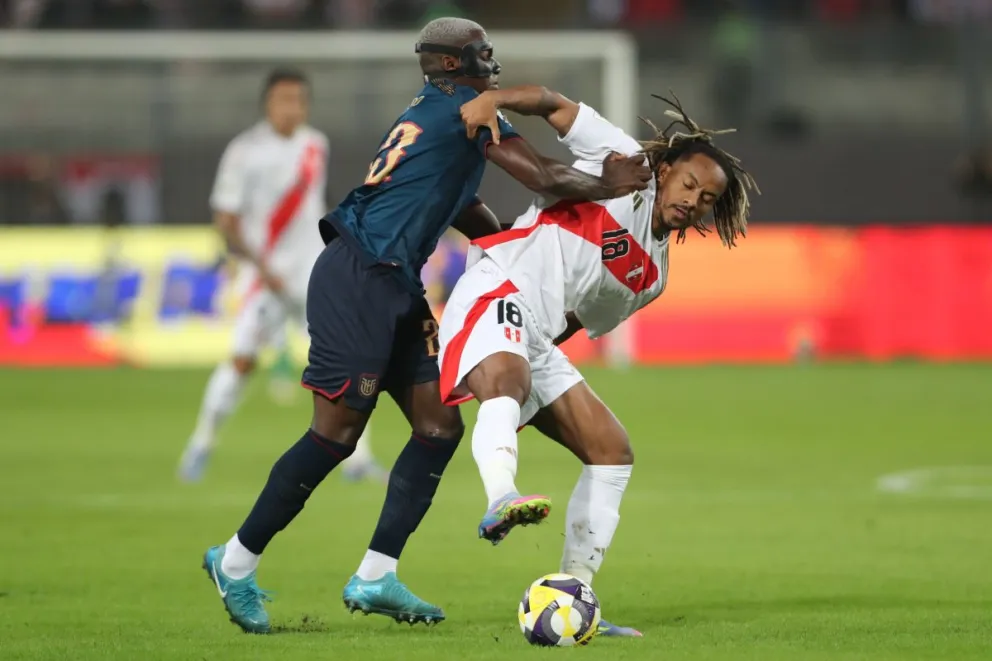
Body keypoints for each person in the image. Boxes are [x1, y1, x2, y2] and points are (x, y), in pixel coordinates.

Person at [198, 17, 652, 635]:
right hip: (358, 274)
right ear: (452, 63)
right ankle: (234, 561)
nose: (491, 61)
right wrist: (606, 185)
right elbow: (543, 176)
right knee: (335, 435)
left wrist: (515, 251)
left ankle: (376, 573)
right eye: (481, 52)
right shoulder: (467, 109)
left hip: (395, 281)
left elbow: (464, 207)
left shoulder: (432, 114)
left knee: (438, 426)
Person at [441, 88, 757, 637]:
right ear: (666, 170)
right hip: (498, 288)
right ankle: (502, 497)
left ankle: (576, 592)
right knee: (508, 381)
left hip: (538, 333)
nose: (693, 200)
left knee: (611, 450)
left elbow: (572, 321)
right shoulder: (623, 159)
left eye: (707, 199)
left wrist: (537, 346)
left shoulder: (652, 276)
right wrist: (495, 98)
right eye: (688, 184)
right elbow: (552, 105)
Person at [177, 68, 382, 483]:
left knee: (348, 359)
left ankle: (358, 459)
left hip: (314, 276)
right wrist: (259, 266)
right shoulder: (244, 151)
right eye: (284, 100)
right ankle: (201, 442)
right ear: (267, 104)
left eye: (299, 100)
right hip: (265, 277)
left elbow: (315, 205)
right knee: (242, 361)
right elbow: (226, 218)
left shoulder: (315, 144)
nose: (293, 108)